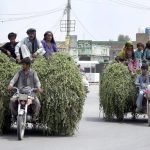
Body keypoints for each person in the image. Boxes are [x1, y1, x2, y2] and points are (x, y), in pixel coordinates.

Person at [7, 57, 43, 121]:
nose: (22, 66)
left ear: (28, 65)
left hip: (30, 93)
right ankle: (15, 116)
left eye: (23, 64)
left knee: (37, 103)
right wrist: (10, 85)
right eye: (22, 64)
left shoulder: (33, 73)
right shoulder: (19, 72)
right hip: (20, 93)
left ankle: (35, 117)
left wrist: (39, 87)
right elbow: (14, 79)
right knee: (12, 100)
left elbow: (37, 81)